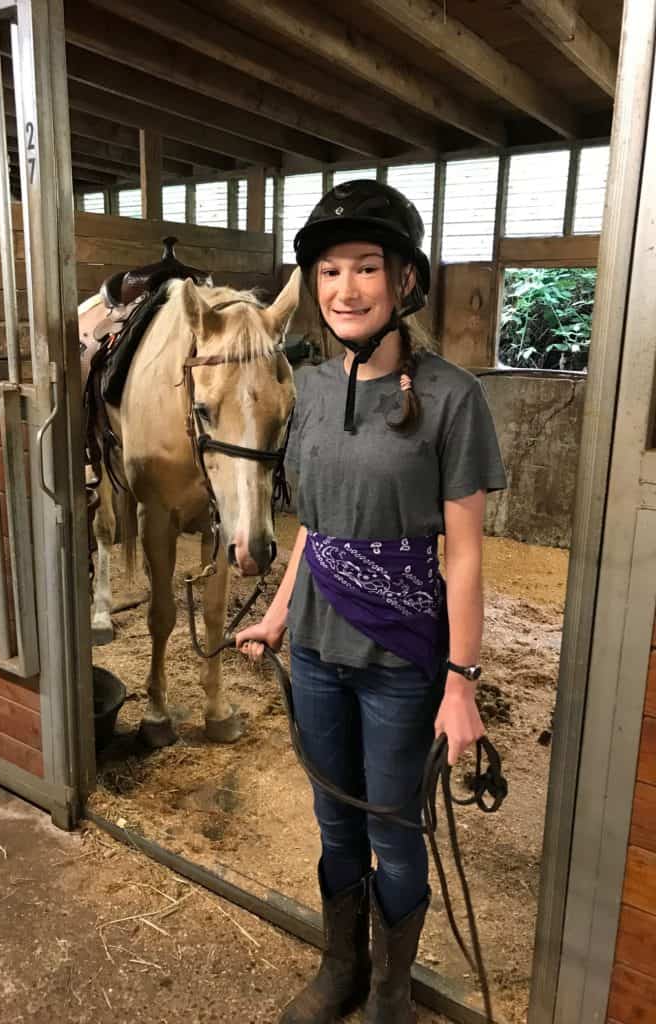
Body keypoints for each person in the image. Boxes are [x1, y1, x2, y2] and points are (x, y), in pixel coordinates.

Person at [236, 180, 507, 1024]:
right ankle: (341, 969)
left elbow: (463, 557)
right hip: (315, 650)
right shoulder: (309, 388)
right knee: (334, 820)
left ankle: (391, 993)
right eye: (327, 271)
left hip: (401, 662)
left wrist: (460, 683)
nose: (344, 289)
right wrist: (280, 614)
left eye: (364, 268)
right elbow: (317, 527)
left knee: (393, 829)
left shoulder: (454, 399)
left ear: (403, 284)